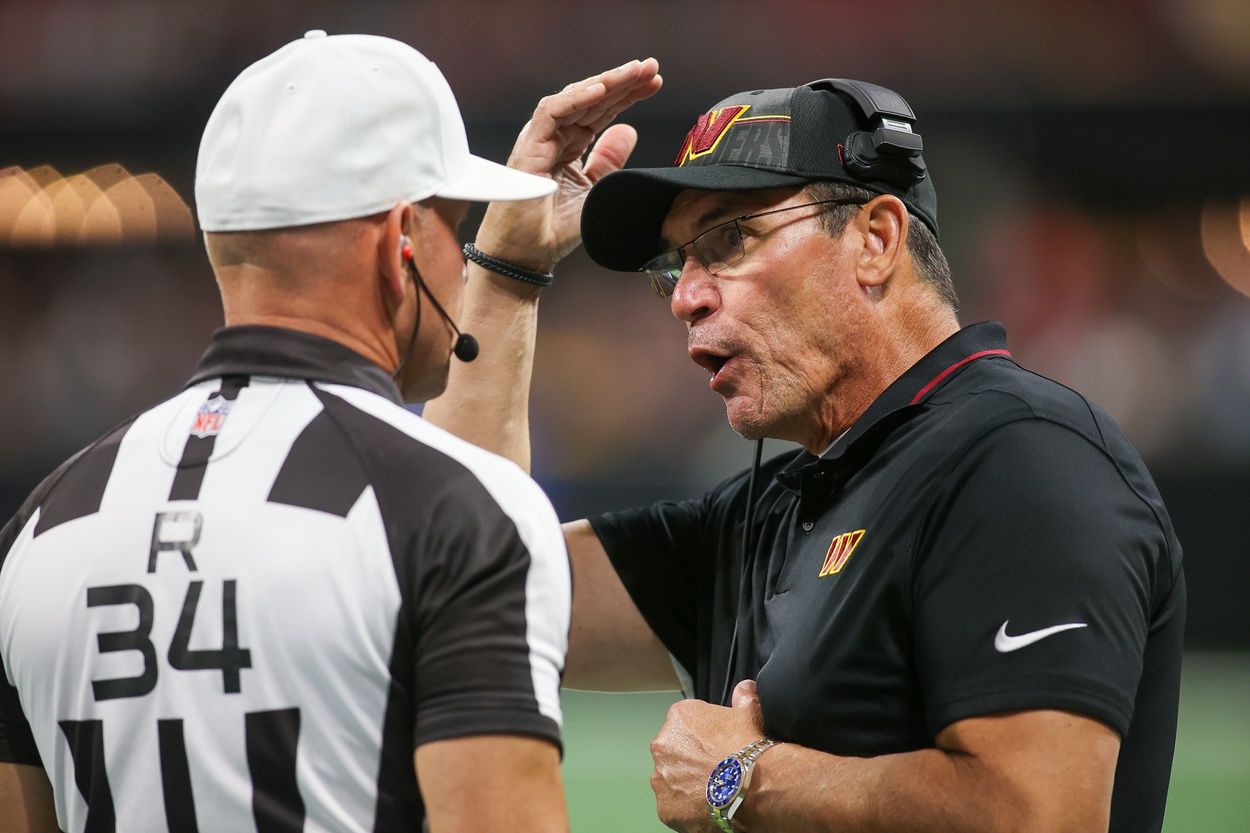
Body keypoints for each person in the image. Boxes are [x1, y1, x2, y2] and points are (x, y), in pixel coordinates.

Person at [422, 78, 1185, 833]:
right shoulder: (772, 510)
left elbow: (1042, 816)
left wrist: (742, 777)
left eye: (728, 241)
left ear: (875, 240)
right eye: (676, 264)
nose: (686, 295)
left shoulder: (1022, 458)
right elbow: (460, 591)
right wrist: (507, 266)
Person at [0, 32, 660, 833]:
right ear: (399, 242)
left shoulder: (38, 529)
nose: (462, 259)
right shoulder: (459, 516)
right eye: (456, 226)